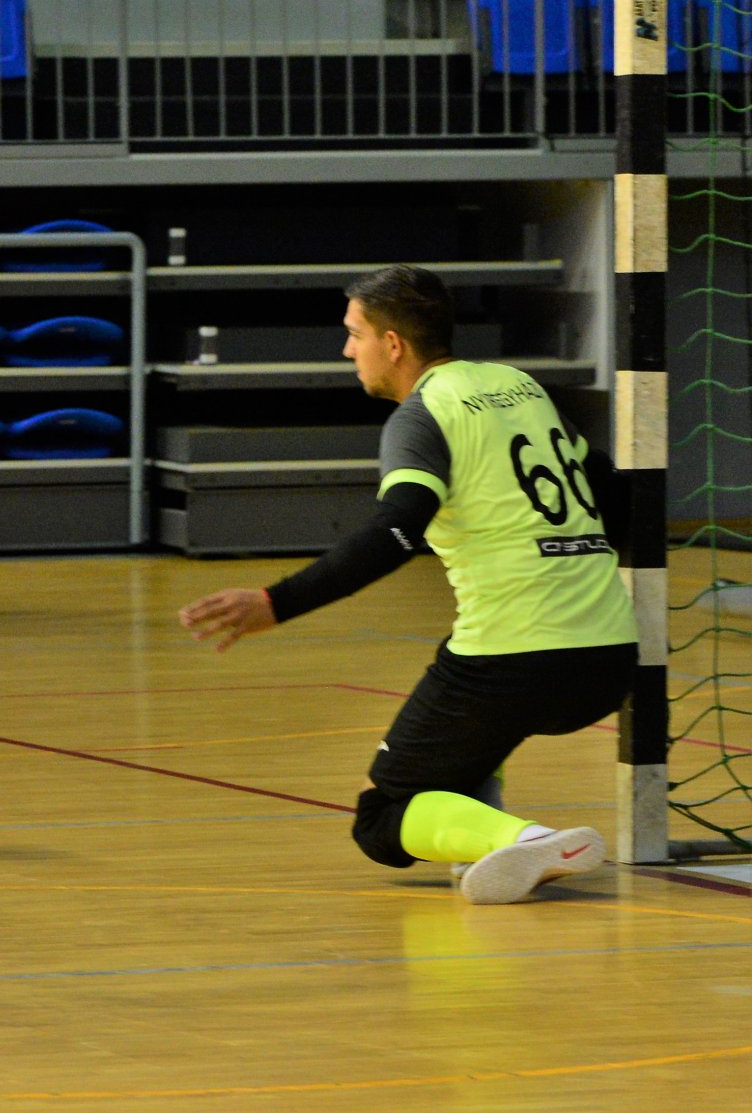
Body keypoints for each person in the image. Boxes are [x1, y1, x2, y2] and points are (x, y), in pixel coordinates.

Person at [179, 265, 639, 905]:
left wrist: (275, 603)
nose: (348, 350)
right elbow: (612, 491)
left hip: (513, 665)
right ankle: (481, 842)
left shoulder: (421, 418)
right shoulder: (518, 386)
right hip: (611, 661)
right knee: (460, 724)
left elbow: (396, 531)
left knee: (382, 818)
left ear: (393, 344)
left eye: (355, 333)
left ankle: (528, 838)